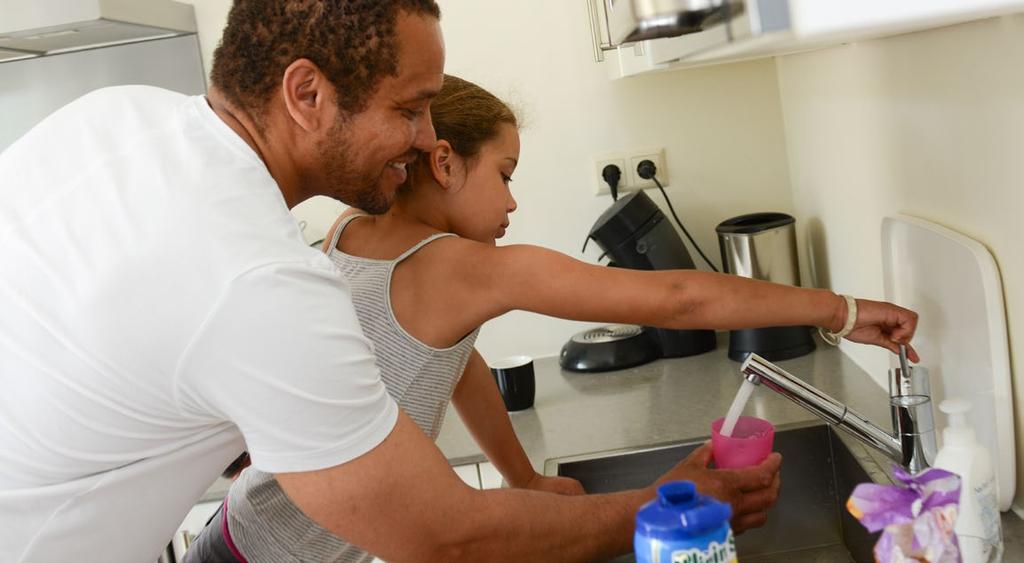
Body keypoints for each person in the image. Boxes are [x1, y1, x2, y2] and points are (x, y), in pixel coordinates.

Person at [186, 74, 920, 562]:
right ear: (443, 162)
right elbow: (682, 298)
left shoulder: (352, 231)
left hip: (239, 532)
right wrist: (843, 310)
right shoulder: (464, 269)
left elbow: (456, 360)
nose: (511, 204)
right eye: (504, 175)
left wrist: (519, 476)